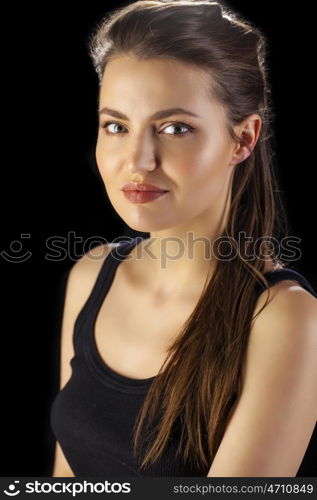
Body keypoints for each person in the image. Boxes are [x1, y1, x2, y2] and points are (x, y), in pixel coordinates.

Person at [50, 0, 317, 477]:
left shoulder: (284, 319)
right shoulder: (91, 275)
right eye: (117, 125)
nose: (139, 159)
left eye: (175, 128)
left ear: (243, 139)